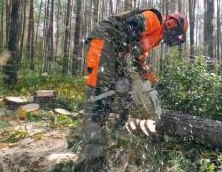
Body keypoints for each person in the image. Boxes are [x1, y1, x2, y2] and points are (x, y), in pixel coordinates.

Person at [75, 9, 189, 172]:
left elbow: (139, 59)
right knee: (100, 96)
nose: (176, 40)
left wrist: (151, 80)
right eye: (178, 36)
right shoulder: (154, 18)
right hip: (105, 39)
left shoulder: (156, 38)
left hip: (116, 50)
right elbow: (132, 25)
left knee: (124, 92)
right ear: (171, 24)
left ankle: (116, 138)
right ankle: (89, 161)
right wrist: (134, 51)